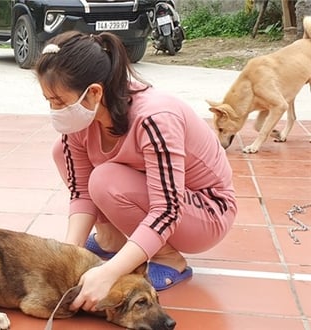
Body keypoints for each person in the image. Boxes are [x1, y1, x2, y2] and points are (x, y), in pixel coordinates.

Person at [33, 31, 237, 312]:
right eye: (48, 100)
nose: (54, 110)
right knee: (64, 151)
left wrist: (109, 274)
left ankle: (168, 258)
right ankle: (110, 239)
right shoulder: (81, 121)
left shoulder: (154, 118)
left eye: (59, 101)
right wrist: (69, 257)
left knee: (106, 180)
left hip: (204, 211)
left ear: (93, 92)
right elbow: (81, 192)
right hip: (161, 201)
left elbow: (167, 210)